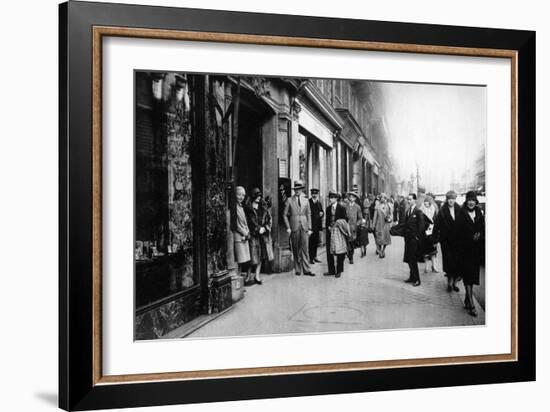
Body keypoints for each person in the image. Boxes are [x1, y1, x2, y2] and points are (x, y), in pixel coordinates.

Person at [456, 190, 485, 317]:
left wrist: (480, 235)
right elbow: (457, 233)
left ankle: (467, 299)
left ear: (476, 201)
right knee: (467, 276)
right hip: (464, 250)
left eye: (473, 200)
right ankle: (472, 304)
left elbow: (482, 228)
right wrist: (469, 237)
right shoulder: (461, 213)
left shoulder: (479, 212)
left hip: (476, 251)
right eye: (469, 200)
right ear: (466, 201)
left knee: (472, 277)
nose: (471, 202)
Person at [283, 180, 315, 276]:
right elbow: (284, 215)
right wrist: (288, 227)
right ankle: (297, 269)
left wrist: (310, 228)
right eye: (296, 189)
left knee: (305, 248)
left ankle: (307, 269)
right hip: (294, 226)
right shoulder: (289, 200)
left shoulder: (306, 200)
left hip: (304, 226)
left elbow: (309, 214)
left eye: (299, 189)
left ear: (302, 190)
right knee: (296, 248)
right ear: (294, 190)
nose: (298, 191)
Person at [392, 193, 425, 286]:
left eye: (410, 199)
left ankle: (417, 279)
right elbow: (405, 224)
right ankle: (412, 277)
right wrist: (396, 228)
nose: (408, 201)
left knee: (413, 259)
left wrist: (417, 237)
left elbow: (421, 227)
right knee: (409, 258)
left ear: (415, 200)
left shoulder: (418, 211)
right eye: (408, 199)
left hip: (414, 240)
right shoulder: (408, 211)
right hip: (408, 239)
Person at [244, 188, 274, 286]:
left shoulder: (263, 207)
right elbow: (247, 222)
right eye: (256, 196)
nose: (259, 198)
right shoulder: (248, 208)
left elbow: (268, 219)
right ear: (253, 196)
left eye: (260, 196)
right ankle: (248, 275)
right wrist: (257, 230)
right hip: (253, 235)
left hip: (262, 236)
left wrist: (265, 228)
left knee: (261, 256)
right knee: (252, 256)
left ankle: (257, 276)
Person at [434, 190, 462, 293]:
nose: (451, 201)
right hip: (446, 241)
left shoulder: (459, 209)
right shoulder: (442, 210)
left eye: (453, 199)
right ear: (447, 199)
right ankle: (450, 283)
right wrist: (434, 239)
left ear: (455, 199)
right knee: (448, 261)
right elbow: (436, 225)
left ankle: (454, 283)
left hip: (457, 241)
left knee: (456, 262)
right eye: (449, 199)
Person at [324, 191, 348, 277]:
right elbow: (327, 221)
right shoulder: (327, 208)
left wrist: (338, 225)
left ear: (336, 198)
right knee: (329, 251)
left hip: (338, 232)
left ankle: (339, 270)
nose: (331, 199)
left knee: (339, 251)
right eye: (330, 198)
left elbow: (345, 220)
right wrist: (328, 227)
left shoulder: (341, 208)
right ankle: (331, 270)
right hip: (330, 231)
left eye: (333, 198)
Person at [230, 186, 251, 277]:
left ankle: (239, 281)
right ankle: (237, 281)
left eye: (243, 195)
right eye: (239, 195)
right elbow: (235, 224)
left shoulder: (241, 206)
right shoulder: (233, 207)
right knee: (238, 259)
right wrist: (245, 232)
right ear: (235, 195)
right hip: (238, 237)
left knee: (242, 260)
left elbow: (245, 221)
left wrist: (247, 230)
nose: (241, 197)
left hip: (243, 236)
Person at [419, 194, 440, 273]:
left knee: (433, 251)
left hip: (432, 232)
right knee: (425, 251)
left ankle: (434, 266)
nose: (426, 203)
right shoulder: (421, 210)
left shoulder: (433, 209)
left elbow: (436, 220)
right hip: (424, 233)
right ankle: (426, 267)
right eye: (425, 202)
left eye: (427, 202)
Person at [345, 186, 363, 264]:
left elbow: (360, 218)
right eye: (350, 197)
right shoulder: (345, 206)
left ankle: (351, 257)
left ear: (355, 199)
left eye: (353, 197)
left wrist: (357, 224)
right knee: (346, 242)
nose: (351, 198)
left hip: (353, 228)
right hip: (346, 227)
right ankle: (348, 254)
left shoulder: (357, 207)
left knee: (352, 243)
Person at [372, 193, 392, 258]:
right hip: (379, 225)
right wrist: (373, 225)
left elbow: (390, 215)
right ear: (380, 199)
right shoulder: (377, 207)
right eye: (382, 197)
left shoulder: (388, 206)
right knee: (379, 239)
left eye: (384, 197)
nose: (383, 199)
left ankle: (383, 250)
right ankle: (380, 251)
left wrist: (390, 220)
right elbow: (375, 217)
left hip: (386, 225)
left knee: (385, 239)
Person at [308, 188, 324, 264]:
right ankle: (311, 258)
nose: (314, 195)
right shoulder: (308, 202)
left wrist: (322, 214)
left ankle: (315, 256)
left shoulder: (319, 203)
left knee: (316, 242)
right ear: (311, 194)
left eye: (315, 194)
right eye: (313, 194)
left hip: (317, 226)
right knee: (311, 242)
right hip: (311, 226)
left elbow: (322, 212)